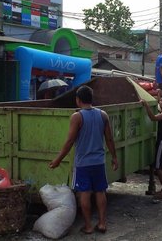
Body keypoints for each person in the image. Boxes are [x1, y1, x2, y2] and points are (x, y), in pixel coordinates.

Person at [49, 85, 118, 234]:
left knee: (85, 193)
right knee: (100, 191)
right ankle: (102, 223)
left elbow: (69, 142)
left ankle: (88, 226)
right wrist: (114, 157)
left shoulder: (77, 117)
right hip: (99, 162)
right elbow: (110, 139)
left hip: (83, 163)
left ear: (78, 100)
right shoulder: (103, 115)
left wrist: (58, 160)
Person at [140, 90, 162, 199]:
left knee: (158, 167)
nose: (159, 102)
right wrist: (159, 95)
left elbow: (153, 118)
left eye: (161, 101)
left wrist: (146, 105)